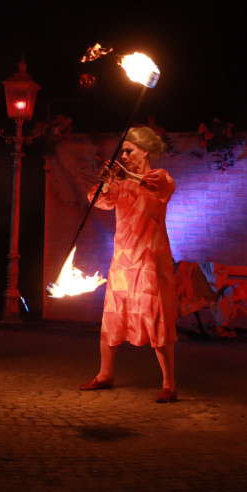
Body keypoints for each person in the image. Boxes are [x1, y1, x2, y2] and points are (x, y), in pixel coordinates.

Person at [79, 126, 179, 402]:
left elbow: (159, 188)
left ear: (144, 151)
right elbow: (99, 201)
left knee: (155, 318)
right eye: (122, 151)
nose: (123, 155)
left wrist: (128, 176)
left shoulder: (158, 177)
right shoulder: (122, 181)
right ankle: (105, 374)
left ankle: (169, 384)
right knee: (112, 316)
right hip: (123, 259)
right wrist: (108, 181)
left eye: (128, 150)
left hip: (150, 260)